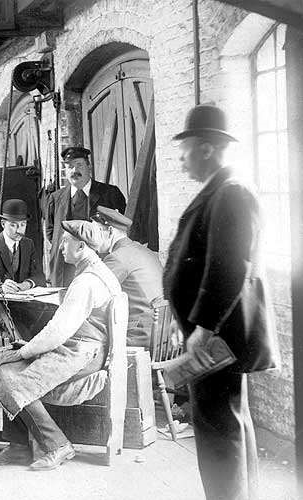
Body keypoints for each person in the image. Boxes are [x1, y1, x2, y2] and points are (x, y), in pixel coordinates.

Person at [164, 104, 279, 500]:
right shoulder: (224, 191)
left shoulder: (230, 192)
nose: (181, 162)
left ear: (207, 149)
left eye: (186, 150)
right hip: (216, 333)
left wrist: (203, 328)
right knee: (231, 422)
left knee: (217, 432)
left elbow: (227, 268)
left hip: (217, 338)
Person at [0, 219, 122, 471]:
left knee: (10, 377)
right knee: (9, 369)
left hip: (82, 353)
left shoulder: (86, 283)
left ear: (81, 247)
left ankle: (56, 445)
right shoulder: (100, 272)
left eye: (65, 243)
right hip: (85, 349)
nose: (60, 248)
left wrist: (24, 350)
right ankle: (19, 447)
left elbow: (58, 332)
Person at [71, 206, 164, 350]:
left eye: (96, 232)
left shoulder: (117, 257)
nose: (93, 238)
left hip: (140, 338)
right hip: (164, 336)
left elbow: (88, 293)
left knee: (82, 337)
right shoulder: (145, 251)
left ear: (110, 231)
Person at [45, 146, 126, 287]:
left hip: (102, 267)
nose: (74, 171)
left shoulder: (110, 194)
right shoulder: (55, 198)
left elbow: (123, 230)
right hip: (65, 270)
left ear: (89, 166)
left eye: (79, 165)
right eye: (69, 167)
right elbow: (51, 232)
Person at [0, 199, 45, 320]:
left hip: (21, 304)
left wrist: (27, 284)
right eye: (13, 225)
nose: (19, 230)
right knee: (7, 322)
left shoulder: (28, 244)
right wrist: (0, 287)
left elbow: (39, 276)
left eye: (23, 225)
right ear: (3, 224)